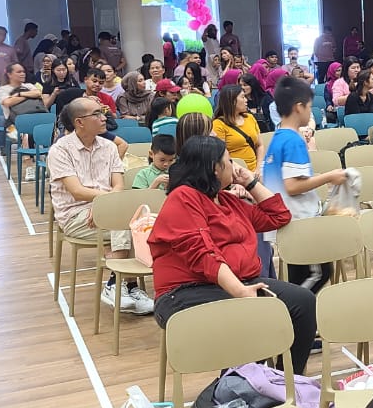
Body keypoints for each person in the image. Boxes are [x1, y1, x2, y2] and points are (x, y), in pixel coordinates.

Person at [147, 134, 316, 374]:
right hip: (185, 292)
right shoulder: (183, 197)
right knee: (255, 316)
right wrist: (240, 292)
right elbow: (204, 254)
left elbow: (279, 216)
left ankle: (284, 379)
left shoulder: (227, 200)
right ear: (214, 168)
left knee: (303, 301)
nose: (235, 166)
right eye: (229, 161)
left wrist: (250, 182)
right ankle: (242, 383)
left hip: (238, 283)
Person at [47, 97, 153, 313]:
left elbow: (119, 185)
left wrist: (105, 206)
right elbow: (77, 191)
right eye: (96, 114)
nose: (104, 117)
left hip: (106, 207)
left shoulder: (109, 147)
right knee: (127, 224)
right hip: (74, 216)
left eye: (102, 112)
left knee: (139, 224)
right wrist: (105, 204)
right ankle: (119, 285)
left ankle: (124, 286)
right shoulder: (60, 150)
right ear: (79, 122)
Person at [264, 76, 348, 291]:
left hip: (290, 219)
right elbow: (293, 186)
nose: (311, 112)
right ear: (298, 107)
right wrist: (329, 176)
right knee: (318, 274)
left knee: (299, 274)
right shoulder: (293, 140)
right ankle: (296, 308)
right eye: (309, 107)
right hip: (299, 219)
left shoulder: (278, 136)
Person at [212, 84, 262, 173]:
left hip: (256, 170)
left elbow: (259, 145)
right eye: (243, 97)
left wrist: (258, 168)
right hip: (236, 172)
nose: (246, 100)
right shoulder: (218, 124)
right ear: (232, 101)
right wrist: (246, 173)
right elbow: (221, 155)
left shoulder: (250, 118)